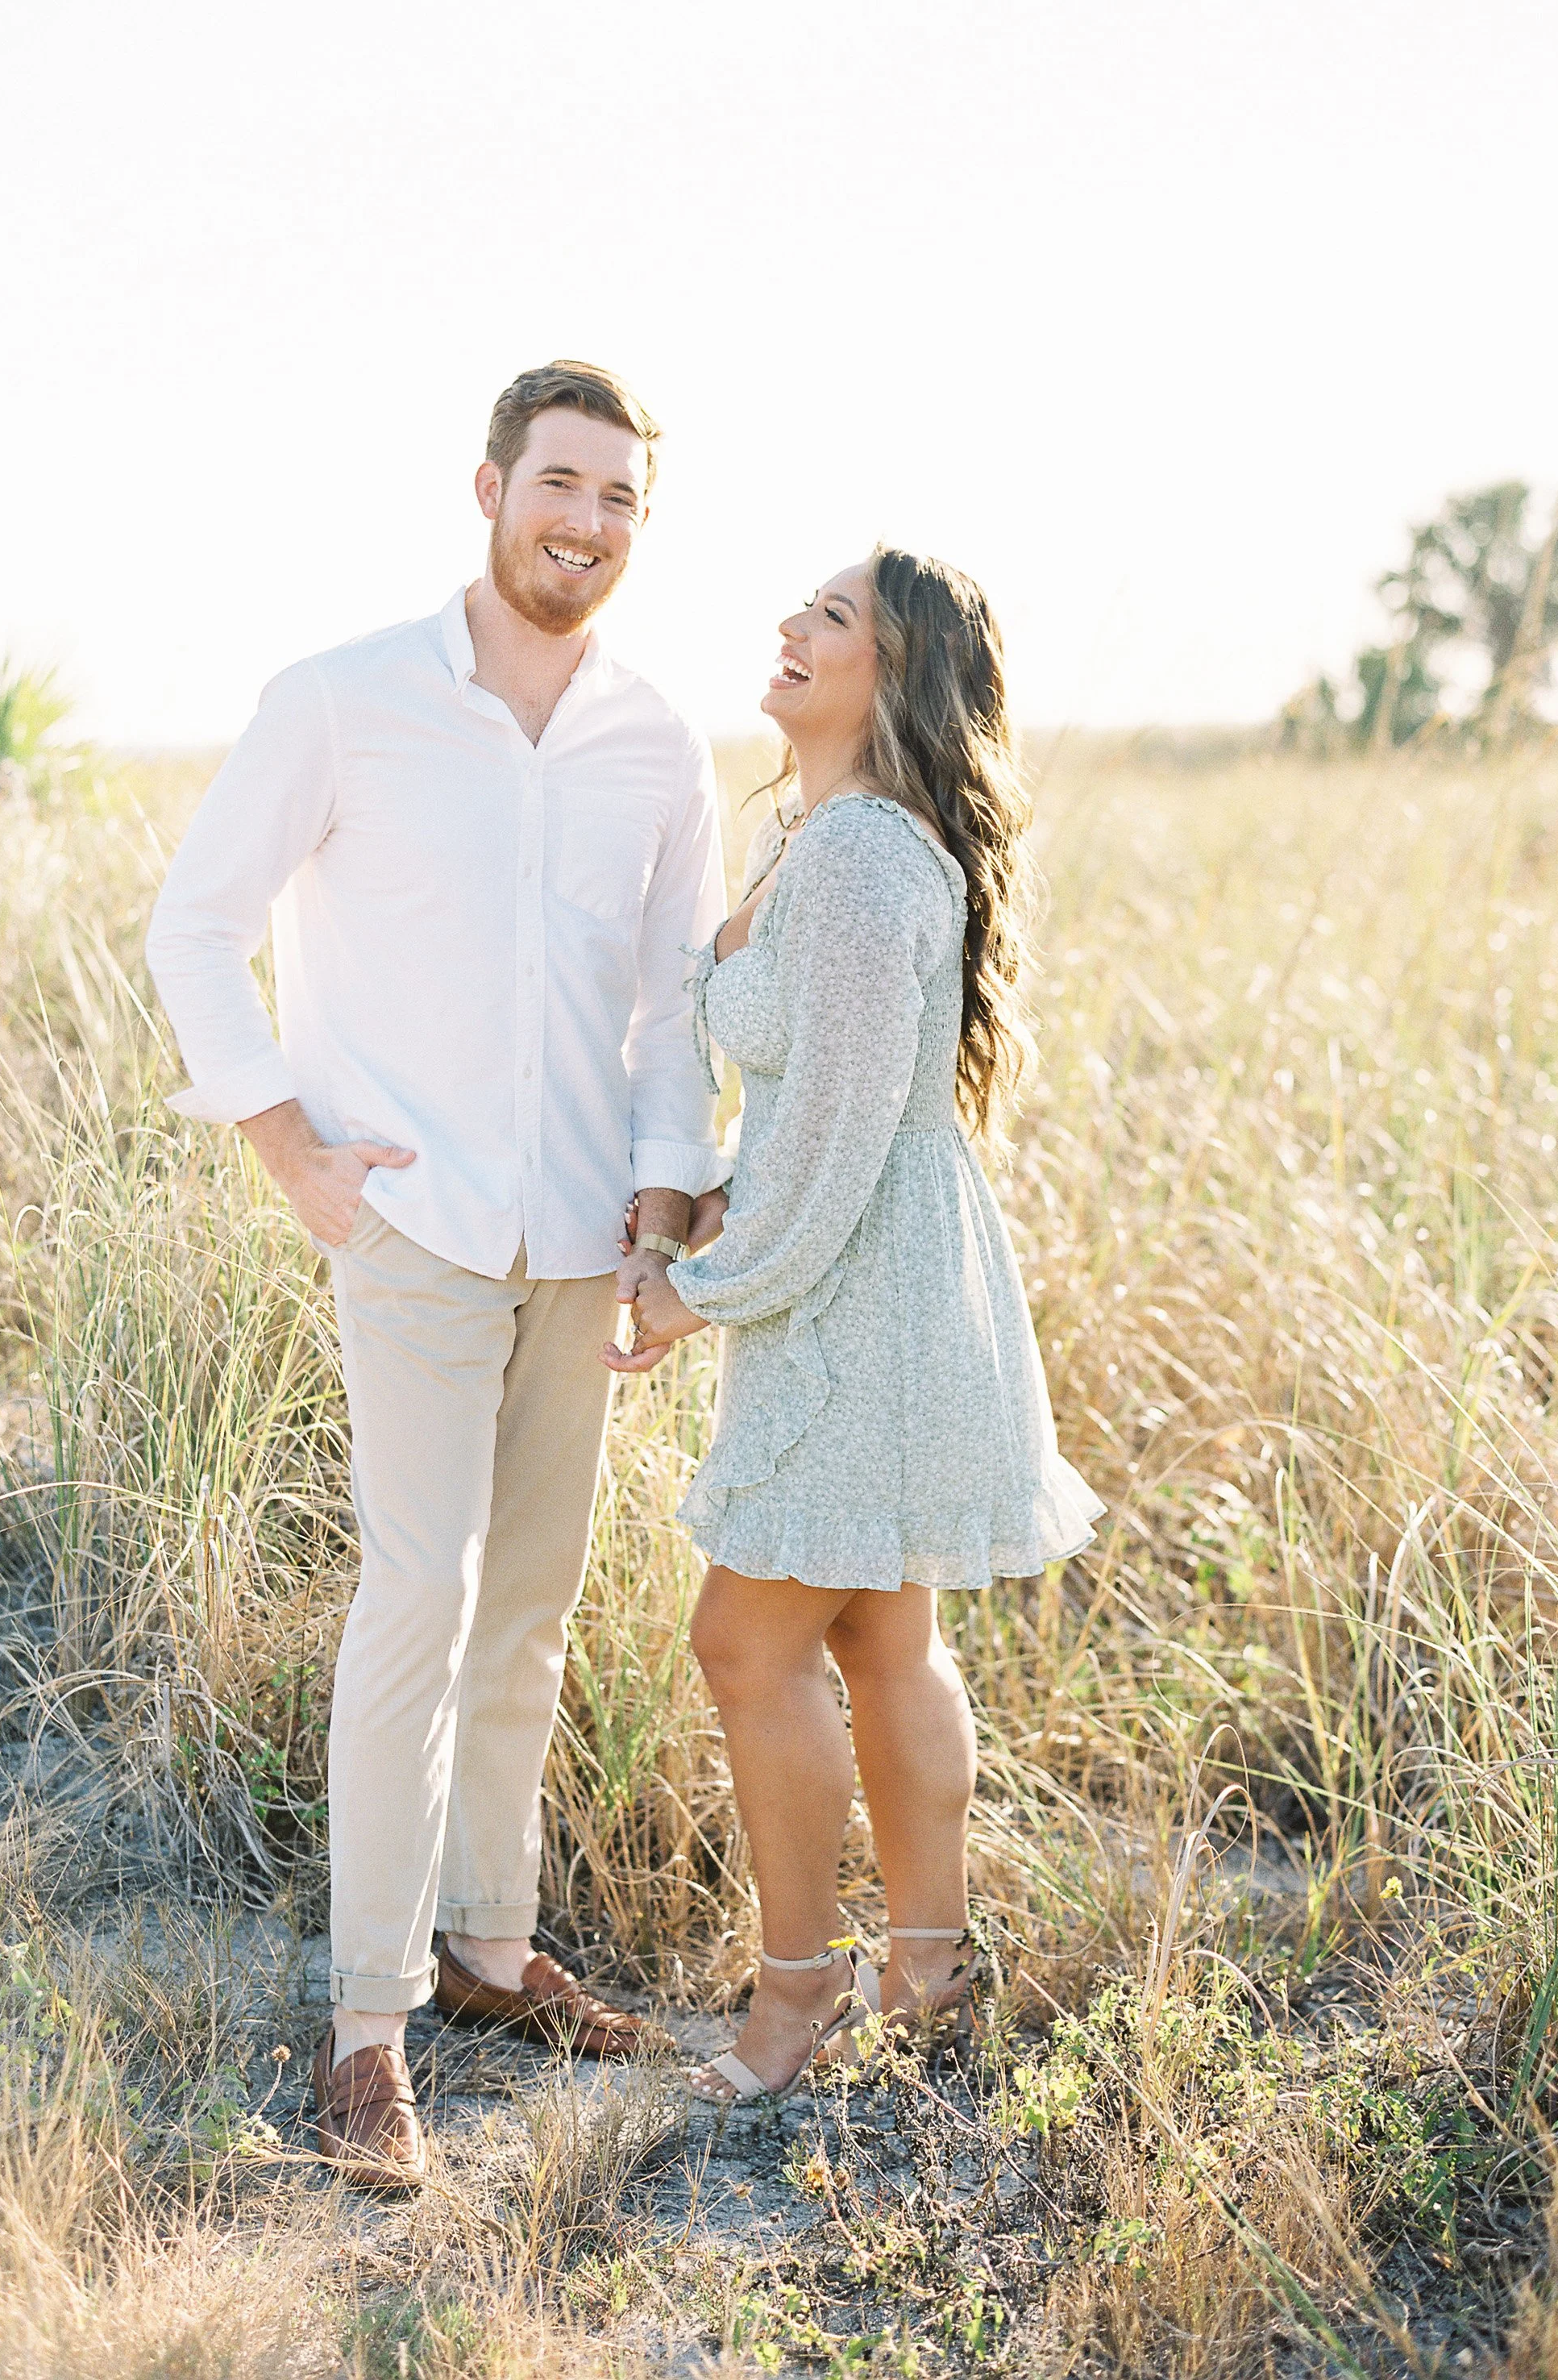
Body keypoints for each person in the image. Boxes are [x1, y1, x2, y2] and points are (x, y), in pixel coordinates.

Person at [146, 360, 730, 2186]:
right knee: (418, 1596)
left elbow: (668, 1010)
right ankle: (368, 2029)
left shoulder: (658, 739)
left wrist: (662, 1215)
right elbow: (196, 926)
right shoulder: (344, 700)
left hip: (575, 1238)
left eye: (623, 498)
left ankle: (488, 1947)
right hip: (411, 1221)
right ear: (489, 487)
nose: (589, 521)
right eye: (564, 483)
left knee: (533, 1603)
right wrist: (285, 1142)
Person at [605, 546, 1103, 2102]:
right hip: (883, 1275)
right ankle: (930, 1974)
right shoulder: (834, 842)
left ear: (900, 676)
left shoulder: (861, 860)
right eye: (802, 608)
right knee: (888, 1637)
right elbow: (823, 1116)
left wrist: (702, 1289)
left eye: (833, 619)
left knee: (744, 1642)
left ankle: (798, 1997)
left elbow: (830, 1145)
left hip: (854, 1301)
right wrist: (691, 1206)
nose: (791, 628)